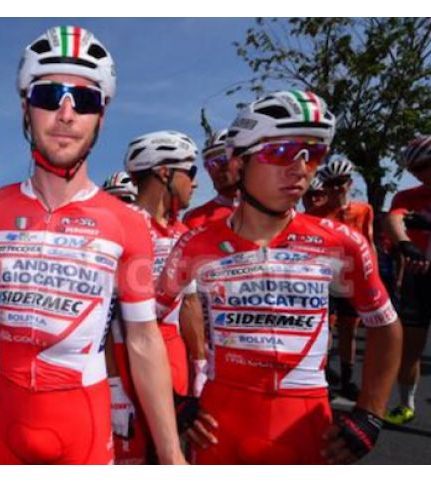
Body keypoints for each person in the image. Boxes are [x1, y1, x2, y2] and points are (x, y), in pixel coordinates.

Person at [0, 25, 184, 465]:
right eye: (50, 96)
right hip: (3, 425)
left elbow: (144, 340)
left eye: (84, 100)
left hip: (83, 428)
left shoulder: (128, 223)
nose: (66, 114)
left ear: (101, 116)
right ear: (25, 108)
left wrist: (171, 454)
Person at [158, 90, 402, 464]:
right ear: (238, 164)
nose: (301, 168)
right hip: (219, 423)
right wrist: (174, 400)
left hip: (305, 422)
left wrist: (371, 412)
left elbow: (385, 325)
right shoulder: (195, 243)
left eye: (313, 153)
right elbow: (143, 325)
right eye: (281, 151)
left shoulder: (342, 242)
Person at [108, 130, 204, 464]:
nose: (195, 182)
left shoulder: (183, 233)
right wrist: (114, 386)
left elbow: (190, 304)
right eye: (190, 171)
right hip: (124, 352)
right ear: (165, 172)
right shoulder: (120, 227)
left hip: (173, 352)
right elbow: (105, 315)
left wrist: (200, 365)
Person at [311, 158, 376, 401]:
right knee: (325, 330)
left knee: (350, 329)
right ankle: (324, 378)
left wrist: (373, 275)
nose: (337, 188)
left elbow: (369, 244)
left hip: (353, 278)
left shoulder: (364, 210)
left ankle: (347, 380)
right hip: (326, 280)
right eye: (331, 184)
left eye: (341, 182)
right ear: (325, 187)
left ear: (349, 183)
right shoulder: (314, 214)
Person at [383, 134, 431, 425]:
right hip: (420, 279)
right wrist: (405, 244)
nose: (417, 174)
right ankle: (406, 404)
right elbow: (393, 219)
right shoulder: (408, 196)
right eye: (413, 170)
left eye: (423, 166)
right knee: (410, 349)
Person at [183, 129, 240, 229]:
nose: (215, 169)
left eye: (222, 160)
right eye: (209, 164)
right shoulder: (194, 218)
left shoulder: (268, 208)